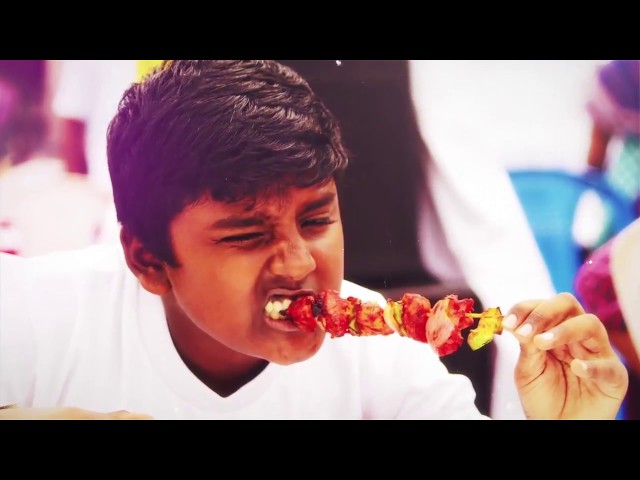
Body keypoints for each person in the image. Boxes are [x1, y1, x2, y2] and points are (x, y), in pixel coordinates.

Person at [0, 60, 628, 420]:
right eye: (247, 235)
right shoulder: (33, 318)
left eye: (316, 220)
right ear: (147, 260)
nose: (300, 263)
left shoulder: (387, 359)